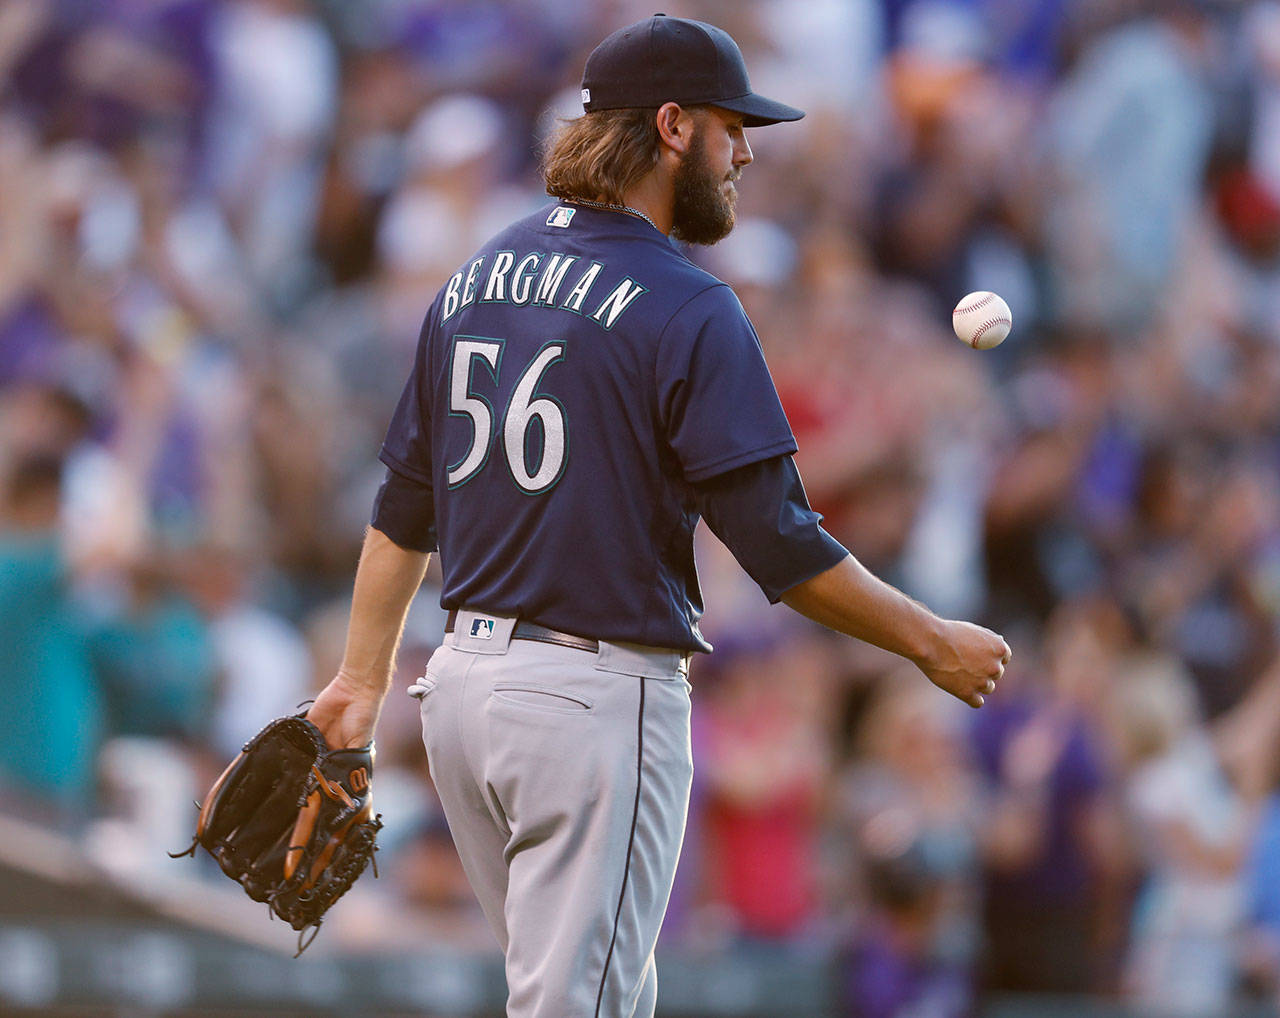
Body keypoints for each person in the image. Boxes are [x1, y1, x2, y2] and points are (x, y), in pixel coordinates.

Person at [306, 15, 1010, 1018]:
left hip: (459, 694)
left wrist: (359, 676)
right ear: (672, 126)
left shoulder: (476, 276)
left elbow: (402, 507)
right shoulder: (686, 303)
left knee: (581, 997)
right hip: (588, 699)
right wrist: (926, 638)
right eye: (732, 129)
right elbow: (773, 539)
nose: (747, 151)